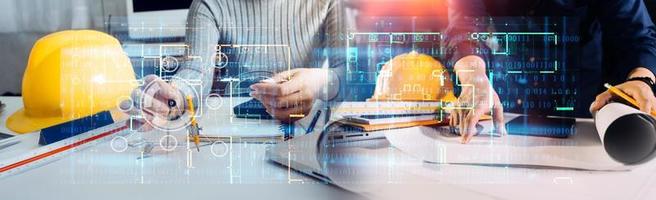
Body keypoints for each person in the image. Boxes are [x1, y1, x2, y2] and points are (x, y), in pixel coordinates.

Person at [445, 0, 656, 143]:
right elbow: (464, 25)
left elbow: (637, 35)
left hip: (582, 103)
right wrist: (475, 80)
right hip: (506, 100)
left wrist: (641, 79)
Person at [128, 0, 346, 131]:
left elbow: (350, 74)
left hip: (305, 132)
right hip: (237, 134)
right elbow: (196, 71)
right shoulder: (209, 4)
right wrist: (175, 95)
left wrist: (319, 82)